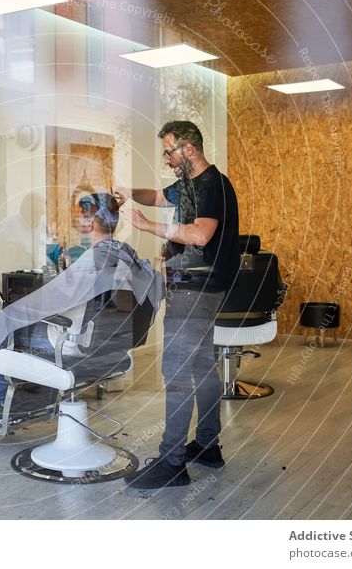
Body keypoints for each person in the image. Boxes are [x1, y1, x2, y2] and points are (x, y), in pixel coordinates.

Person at [114, 120, 240, 489]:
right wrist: (127, 191)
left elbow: (201, 234)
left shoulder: (211, 185)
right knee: (201, 368)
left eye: (169, 151)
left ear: (189, 149)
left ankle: (171, 463)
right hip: (198, 288)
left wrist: (147, 226)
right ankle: (207, 446)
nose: (167, 159)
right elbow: (157, 196)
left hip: (197, 290)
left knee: (178, 373)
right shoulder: (190, 185)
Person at [0, 193, 164, 421]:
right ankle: (34, 402)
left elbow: (48, 301)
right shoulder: (126, 256)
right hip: (111, 345)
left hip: (77, 344)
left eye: (80, 216)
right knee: (10, 324)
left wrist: (10, 312)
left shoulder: (93, 260)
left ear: (90, 223)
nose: (77, 221)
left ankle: (6, 407)